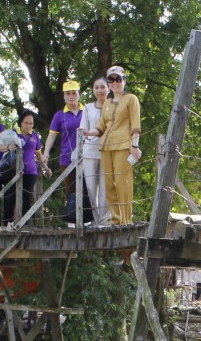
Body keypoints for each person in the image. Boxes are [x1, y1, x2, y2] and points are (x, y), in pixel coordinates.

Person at [87, 65, 141, 224]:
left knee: (123, 183)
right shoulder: (107, 103)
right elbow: (100, 127)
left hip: (123, 146)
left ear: (124, 80)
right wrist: (88, 133)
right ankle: (115, 220)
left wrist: (135, 145)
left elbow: (135, 125)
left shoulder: (131, 99)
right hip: (106, 147)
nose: (115, 83)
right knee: (109, 185)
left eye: (118, 79)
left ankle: (125, 221)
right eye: (111, 80)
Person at [43, 81, 91, 225]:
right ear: (64, 96)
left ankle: (87, 221)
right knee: (70, 190)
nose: (71, 96)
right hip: (67, 158)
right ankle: (71, 221)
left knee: (88, 188)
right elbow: (52, 135)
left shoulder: (87, 111)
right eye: (68, 93)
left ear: (79, 94)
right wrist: (46, 153)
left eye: (74, 93)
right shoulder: (59, 115)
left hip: (87, 156)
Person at [79, 77, 111, 227]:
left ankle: (104, 222)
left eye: (102, 87)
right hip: (89, 152)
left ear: (108, 88)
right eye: (96, 87)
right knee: (91, 188)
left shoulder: (114, 106)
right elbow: (83, 128)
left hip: (108, 151)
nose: (100, 90)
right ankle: (93, 221)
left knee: (105, 188)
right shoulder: (87, 107)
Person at [16, 109, 47, 221]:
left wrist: (46, 167)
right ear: (21, 122)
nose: (28, 125)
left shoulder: (35, 136)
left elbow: (38, 154)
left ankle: (25, 222)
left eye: (31, 123)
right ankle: (10, 222)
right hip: (14, 170)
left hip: (30, 171)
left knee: (27, 197)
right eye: (26, 123)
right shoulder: (14, 133)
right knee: (13, 195)